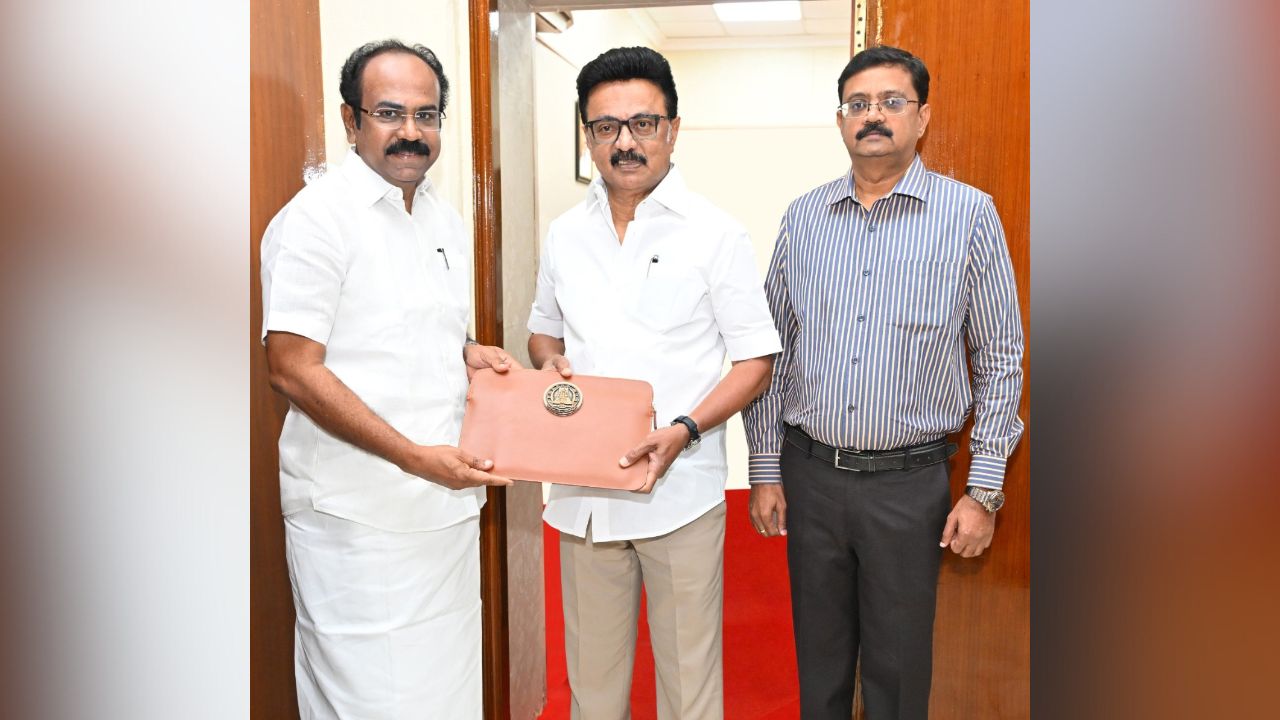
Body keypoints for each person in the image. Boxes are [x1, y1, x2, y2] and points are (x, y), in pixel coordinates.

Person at [742, 45, 1025, 720]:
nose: (874, 117)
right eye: (858, 104)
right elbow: (769, 350)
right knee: (821, 664)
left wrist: (983, 491)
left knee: (900, 673)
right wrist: (764, 468)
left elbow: (1001, 358)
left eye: (892, 103)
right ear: (841, 120)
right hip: (812, 478)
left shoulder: (969, 216)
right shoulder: (803, 218)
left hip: (909, 487)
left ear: (922, 117)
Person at [260, 39, 519, 718]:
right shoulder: (316, 221)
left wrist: (467, 352)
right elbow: (290, 366)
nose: (411, 132)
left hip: (443, 515)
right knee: (373, 701)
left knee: (445, 698)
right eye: (389, 113)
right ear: (351, 121)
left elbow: (400, 329)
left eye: (427, 115)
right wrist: (412, 457)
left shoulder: (438, 213)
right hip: (359, 523)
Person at [527, 46, 781, 720]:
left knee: (688, 688)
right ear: (587, 137)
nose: (626, 142)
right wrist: (550, 363)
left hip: (680, 492)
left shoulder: (716, 234)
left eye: (643, 123)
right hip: (584, 494)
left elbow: (756, 358)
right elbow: (542, 331)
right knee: (593, 688)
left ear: (671, 128)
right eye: (606, 127)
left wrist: (687, 430)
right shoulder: (563, 234)